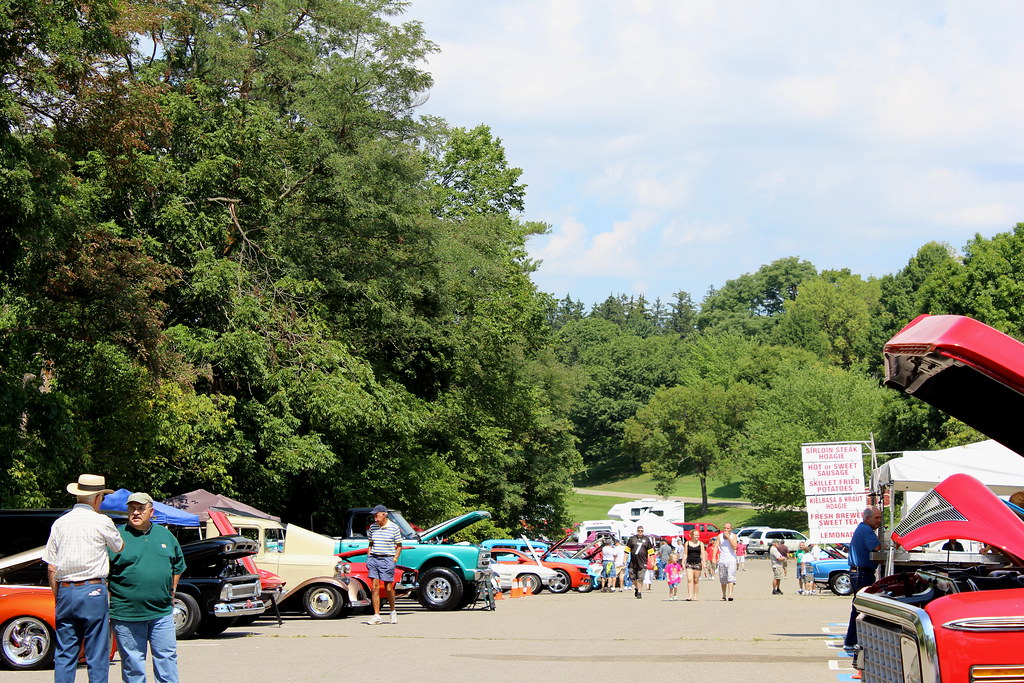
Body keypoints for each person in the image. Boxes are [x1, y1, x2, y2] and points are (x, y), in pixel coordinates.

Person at [43, 474, 124, 683]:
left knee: (65, 652)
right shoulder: (101, 521)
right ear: (97, 498)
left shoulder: (60, 523)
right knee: (96, 651)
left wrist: (58, 595)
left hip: (65, 590)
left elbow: (51, 566)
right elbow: (119, 546)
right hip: (92, 589)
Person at [108, 492, 186, 683]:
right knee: (133, 664)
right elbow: (104, 573)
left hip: (161, 612)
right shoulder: (117, 536)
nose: (136, 512)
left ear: (151, 512)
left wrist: (172, 590)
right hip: (127, 614)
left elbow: (178, 565)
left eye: (141, 509)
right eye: (132, 508)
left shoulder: (165, 535)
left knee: (166, 659)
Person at [844, 506, 882, 652]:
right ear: (867, 518)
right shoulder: (866, 530)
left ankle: (853, 639)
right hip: (862, 573)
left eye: (879, 517)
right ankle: (852, 640)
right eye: (876, 518)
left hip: (858, 572)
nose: (879, 521)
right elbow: (878, 547)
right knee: (861, 608)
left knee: (858, 607)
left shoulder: (862, 528)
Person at [366, 504, 403, 624]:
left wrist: (395, 559)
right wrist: (369, 556)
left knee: (388, 587)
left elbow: (399, 546)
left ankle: (392, 611)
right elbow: (370, 544)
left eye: (377, 515)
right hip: (374, 558)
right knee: (374, 587)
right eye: (374, 515)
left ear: (384, 514)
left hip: (388, 559)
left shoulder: (394, 528)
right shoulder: (372, 528)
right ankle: (376, 615)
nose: (375, 517)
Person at [624, 525, 656, 598]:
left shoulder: (647, 539)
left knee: (640, 577)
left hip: (642, 561)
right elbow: (626, 551)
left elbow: (651, 552)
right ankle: (637, 587)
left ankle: (639, 592)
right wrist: (624, 560)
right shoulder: (632, 539)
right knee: (633, 577)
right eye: (639, 530)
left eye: (642, 531)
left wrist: (652, 561)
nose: (640, 532)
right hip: (633, 561)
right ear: (637, 531)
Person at [716, 523, 739, 601]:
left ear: (730, 529)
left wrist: (729, 538)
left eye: (727, 528)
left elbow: (735, 547)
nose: (726, 529)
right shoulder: (720, 536)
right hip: (722, 559)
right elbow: (716, 546)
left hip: (731, 559)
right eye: (725, 528)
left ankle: (730, 595)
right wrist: (713, 557)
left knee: (731, 577)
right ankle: (724, 595)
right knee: (723, 578)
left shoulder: (734, 536)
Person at [683, 529, 704, 601]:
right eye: (696, 535)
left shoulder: (701, 543)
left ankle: (695, 596)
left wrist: (704, 564)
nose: (697, 536)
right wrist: (683, 562)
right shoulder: (687, 543)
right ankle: (690, 595)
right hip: (689, 563)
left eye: (698, 535)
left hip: (697, 563)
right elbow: (685, 554)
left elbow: (703, 554)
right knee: (689, 579)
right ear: (692, 536)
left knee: (696, 580)